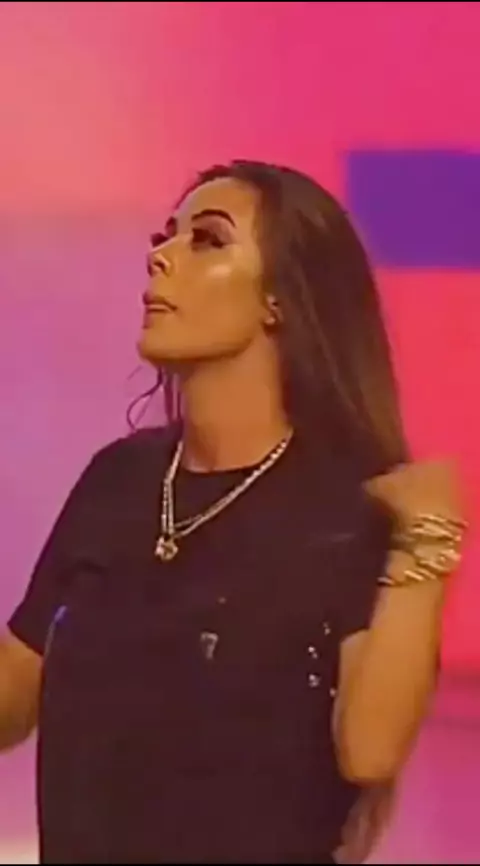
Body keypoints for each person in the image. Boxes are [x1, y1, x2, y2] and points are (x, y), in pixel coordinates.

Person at [1, 160, 465, 864]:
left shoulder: (349, 507)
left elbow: (369, 749)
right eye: (165, 236)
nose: (162, 255)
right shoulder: (118, 479)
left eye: (207, 240)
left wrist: (428, 542)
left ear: (279, 299)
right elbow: (14, 692)